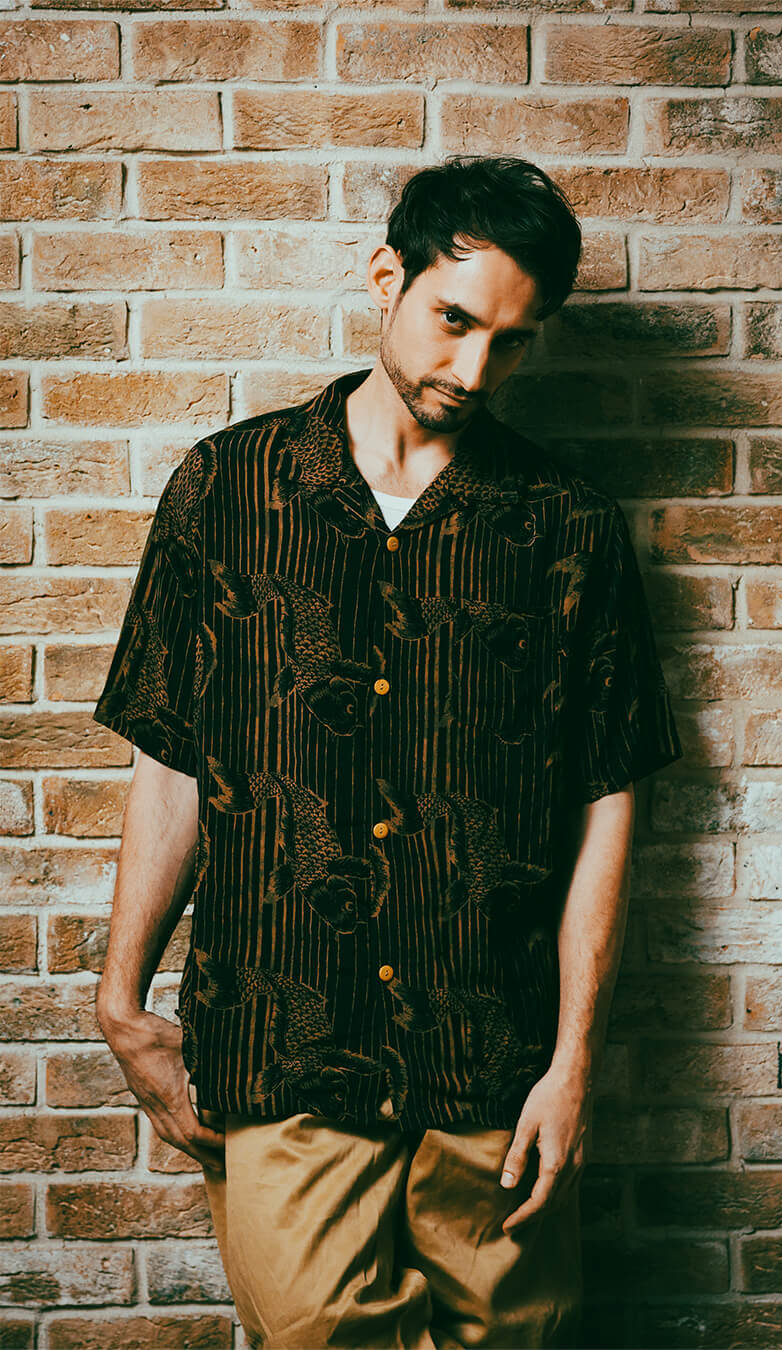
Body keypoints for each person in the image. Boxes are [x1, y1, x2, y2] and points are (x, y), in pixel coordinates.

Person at [93, 155, 683, 1350]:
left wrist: (573, 1063)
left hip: (491, 1058)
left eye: (511, 343)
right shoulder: (228, 490)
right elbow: (173, 758)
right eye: (454, 320)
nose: (473, 369)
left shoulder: (565, 527)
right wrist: (120, 999)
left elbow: (605, 805)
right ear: (386, 278)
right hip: (286, 1042)